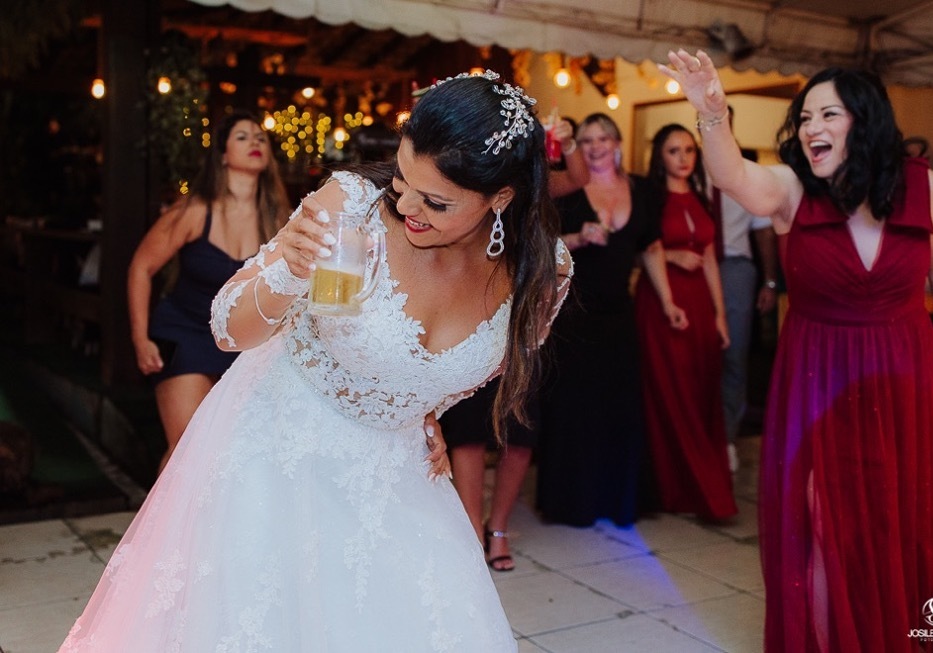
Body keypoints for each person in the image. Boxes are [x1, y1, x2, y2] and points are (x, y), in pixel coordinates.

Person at [59, 70, 571, 652]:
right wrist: (288, 275)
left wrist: (420, 403)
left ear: (501, 198)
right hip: (275, 451)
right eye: (402, 180)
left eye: (437, 201)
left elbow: (490, 360)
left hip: (396, 476)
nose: (406, 206)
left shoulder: (541, 271)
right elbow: (227, 328)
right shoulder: (351, 206)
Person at [661, 49, 933, 651]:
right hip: (819, 378)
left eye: (827, 115)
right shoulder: (792, 190)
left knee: (907, 517)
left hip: (905, 376)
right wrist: (710, 111)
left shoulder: (923, 186)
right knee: (823, 520)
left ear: (866, 119)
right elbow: (732, 177)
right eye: (804, 118)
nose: (811, 129)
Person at [440, 116, 588, 572]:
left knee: (519, 428)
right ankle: (468, 524)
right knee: (466, 425)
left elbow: (579, 177)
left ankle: (498, 527)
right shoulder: (465, 179)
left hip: (522, 315)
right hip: (469, 310)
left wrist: (566, 141)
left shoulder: (534, 187)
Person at [127, 109, 291, 473]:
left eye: (261, 138)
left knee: (237, 451)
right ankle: (165, 531)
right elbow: (142, 266)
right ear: (222, 155)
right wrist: (140, 339)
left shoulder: (280, 221)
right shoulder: (194, 211)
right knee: (187, 447)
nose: (255, 143)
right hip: (186, 334)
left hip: (244, 343)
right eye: (243, 137)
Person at [535, 112, 664, 527]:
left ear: (617, 142)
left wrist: (670, 300)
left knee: (619, 407)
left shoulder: (640, 188)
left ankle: (618, 499)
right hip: (575, 313)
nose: (595, 146)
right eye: (587, 140)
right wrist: (578, 238)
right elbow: (540, 244)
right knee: (575, 410)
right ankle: (573, 502)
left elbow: (650, 248)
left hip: (618, 313)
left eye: (602, 138)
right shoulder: (568, 187)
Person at [633, 123, 737, 522]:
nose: (683, 158)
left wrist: (720, 315)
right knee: (670, 394)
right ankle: (681, 488)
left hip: (699, 302)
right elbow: (641, 246)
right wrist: (672, 258)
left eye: (689, 150)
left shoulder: (703, 194)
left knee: (700, 392)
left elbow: (710, 257)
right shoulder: (651, 196)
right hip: (663, 300)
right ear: (661, 155)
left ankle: (698, 483)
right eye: (674, 150)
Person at [713, 106, 779, 472]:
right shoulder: (690, 166)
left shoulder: (746, 172)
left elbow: (763, 229)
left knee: (734, 354)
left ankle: (727, 437)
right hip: (696, 266)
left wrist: (770, 280)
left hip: (736, 268)